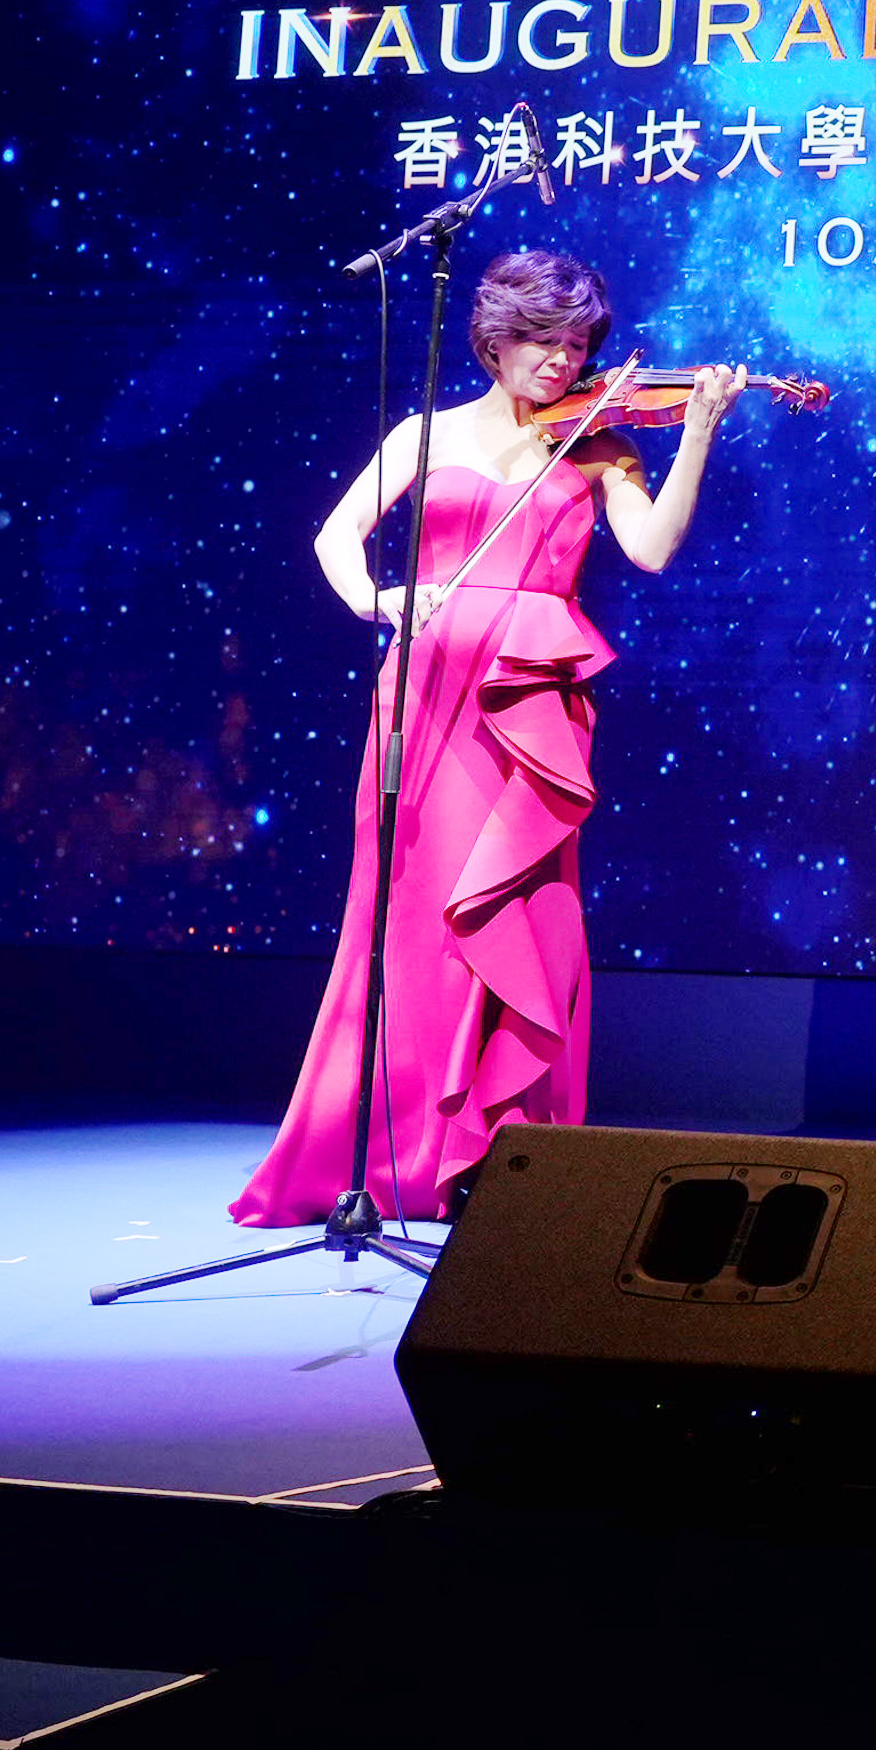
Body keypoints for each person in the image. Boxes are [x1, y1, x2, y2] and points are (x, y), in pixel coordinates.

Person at [233, 251, 744, 1227]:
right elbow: (336, 537)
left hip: (532, 713)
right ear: (495, 339)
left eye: (578, 346)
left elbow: (651, 549)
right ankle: (388, 1158)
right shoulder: (424, 432)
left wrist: (700, 434)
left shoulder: (596, 443)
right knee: (412, 921)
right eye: (543, 342)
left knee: (522, 916)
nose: (562, 363)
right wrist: (379, 598)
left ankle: (505, 1158)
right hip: (424, 698)